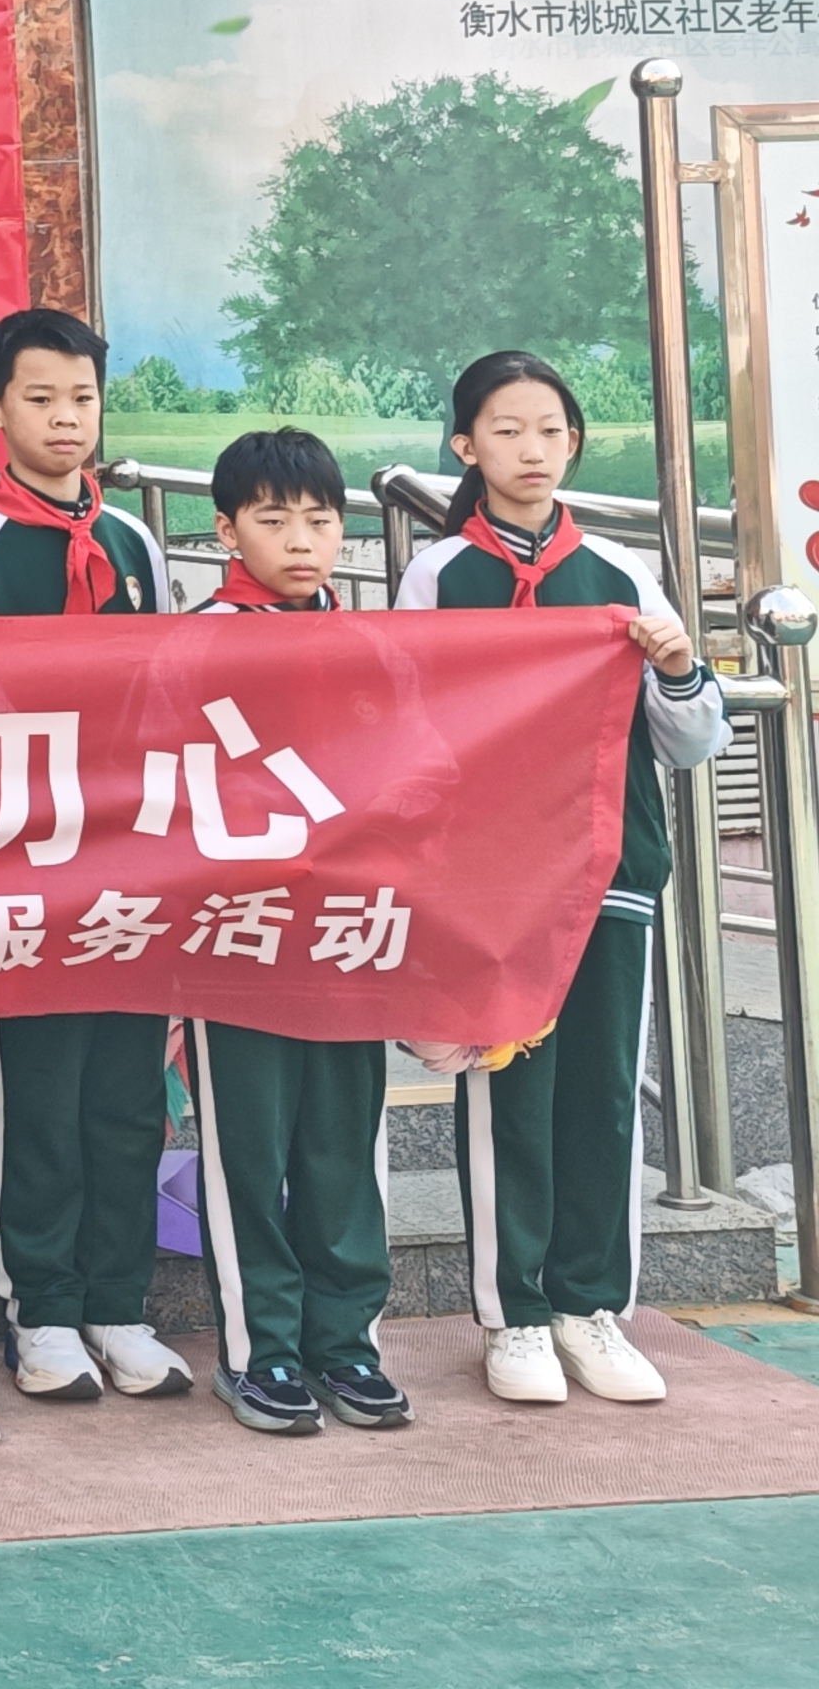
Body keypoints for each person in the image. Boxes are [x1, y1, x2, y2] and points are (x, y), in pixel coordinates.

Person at [400, 348, 722, 1409]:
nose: (530, 449)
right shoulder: (439, 576)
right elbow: (409, 731)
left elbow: (690, 741)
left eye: (548, 430)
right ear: (466, 447)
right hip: (494, 887)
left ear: (573, 443)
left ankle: (591, 1307)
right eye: (505, 431)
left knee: (602, 1094)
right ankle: (516, 1317)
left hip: (610, 870)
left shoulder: (621, 572)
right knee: (507, 1094)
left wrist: (677, 666)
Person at [0, 306, 195, 1409]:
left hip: (130, 855)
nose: (65, 419)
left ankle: (117, 1301)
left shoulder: (133, 542)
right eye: (39, 399)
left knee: (127, 1093)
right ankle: (38, 1306)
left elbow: (170, 688)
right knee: (38, 1090)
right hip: (25, 856)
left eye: (82, 398)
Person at [186, 427, 409, 1440]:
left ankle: (345, 1340)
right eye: (273, 520)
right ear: (225, 529)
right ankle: (259, 1348)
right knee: (248, 1150)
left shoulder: (373, 646)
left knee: (342, 1146)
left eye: (320, 520)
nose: (300, 540)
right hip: (238, 938)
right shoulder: (194, 642)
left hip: (350, 934)